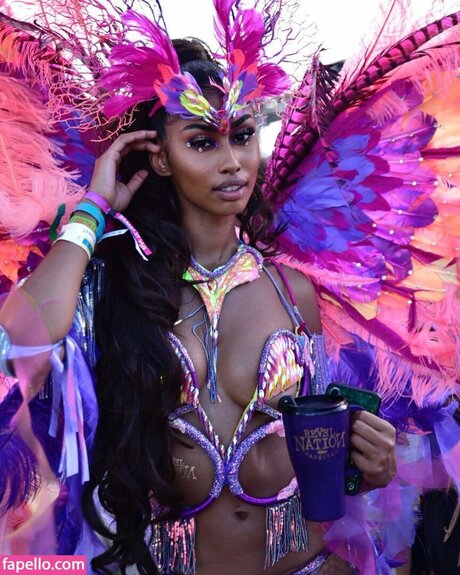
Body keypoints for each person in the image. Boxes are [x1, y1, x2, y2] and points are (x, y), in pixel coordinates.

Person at [1, 2, 459, 574]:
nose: (233, 163)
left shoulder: (294, 291)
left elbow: (327, 454)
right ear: (159, 158)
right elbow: (18, 340)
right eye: (202, 142)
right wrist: (92, 211)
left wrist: (369, 465)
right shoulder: (113, 287)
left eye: (241, 136)